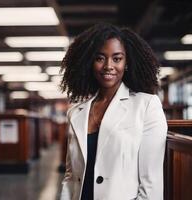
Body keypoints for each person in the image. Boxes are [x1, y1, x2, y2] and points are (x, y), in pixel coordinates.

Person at [59, 23, 167, 200]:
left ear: (126, 63)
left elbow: (151, 182)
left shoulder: (146, 105)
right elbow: (71, 176)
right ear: (90, 62)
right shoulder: (76, 112)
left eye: (117, 59)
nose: (108, 65)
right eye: (100, 58)